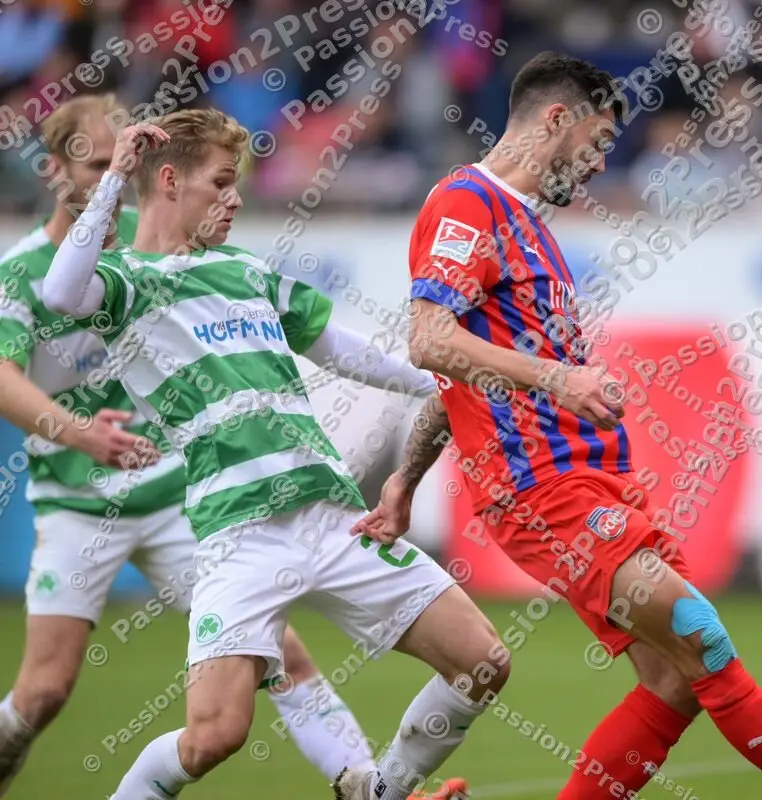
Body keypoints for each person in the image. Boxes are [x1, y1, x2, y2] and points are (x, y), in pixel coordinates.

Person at [353, 51, 762, 800]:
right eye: (595, 144)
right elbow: (429, 340)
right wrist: (561, 377)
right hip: (542, 489)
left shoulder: (532, 231)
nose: (597, 166)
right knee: (702, 637)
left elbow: (456, 377)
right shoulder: (467, 204)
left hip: (600, 483)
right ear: (555, 119)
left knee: (676, 679)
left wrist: (405, 477)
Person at [41, 108, 501, 800]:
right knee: (214, 737)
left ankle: (381, 791)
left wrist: (450, 380)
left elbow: (342, 349)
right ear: (167, 180)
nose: (235, 198)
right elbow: (59, 291)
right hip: (239, 538)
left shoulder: (245, 270)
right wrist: (113, 176)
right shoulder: (126, 282)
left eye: (238, 185)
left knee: (483, 661)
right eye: (221, 183)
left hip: (334, 517)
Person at [0, 94, 378, 795]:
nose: (123, 172)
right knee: (44, 692)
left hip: (179, 493)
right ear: (56, 171)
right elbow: (2, 378)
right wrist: (78, 432)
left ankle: (366, 780)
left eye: (133, 156)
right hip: (78, 503)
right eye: (104, 163)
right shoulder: (27, 274)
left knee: (281, 655)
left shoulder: (164, 253)